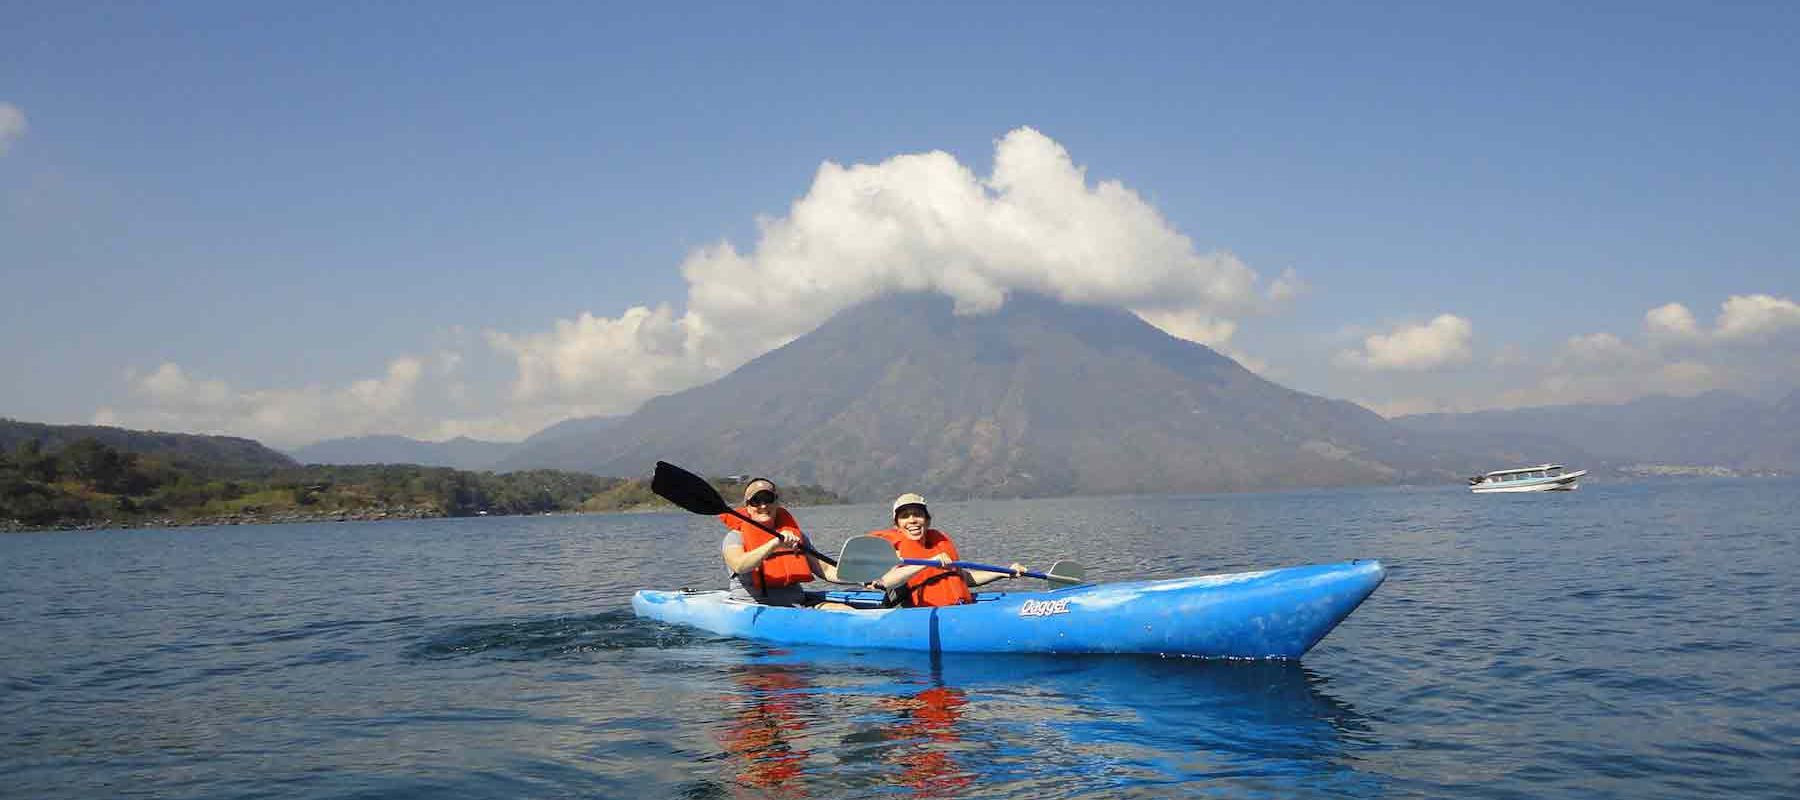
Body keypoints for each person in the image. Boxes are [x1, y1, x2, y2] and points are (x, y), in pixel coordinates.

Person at [864, 493, 1025, 607]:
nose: (912, 520)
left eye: (918, 514)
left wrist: (1003, 572)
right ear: (897, 525)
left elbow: (964, 578)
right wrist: (929, 563)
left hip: (960, 608)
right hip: (924, 613)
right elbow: (888, 581)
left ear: (927, 521)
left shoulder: (939, 543)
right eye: (905, 516)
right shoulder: (896, 552)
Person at [720, 478, 836, 606]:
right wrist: (774, 544)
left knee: (843, 609)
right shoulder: (735, 537)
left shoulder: (795, 536)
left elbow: (825, 569)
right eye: (756, 501)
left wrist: (857, 578)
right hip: (755, 606)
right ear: (747, 507)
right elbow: (739, 565)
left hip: (797, 604)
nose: (763, 506)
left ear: (776, 502)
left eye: (768, 499)